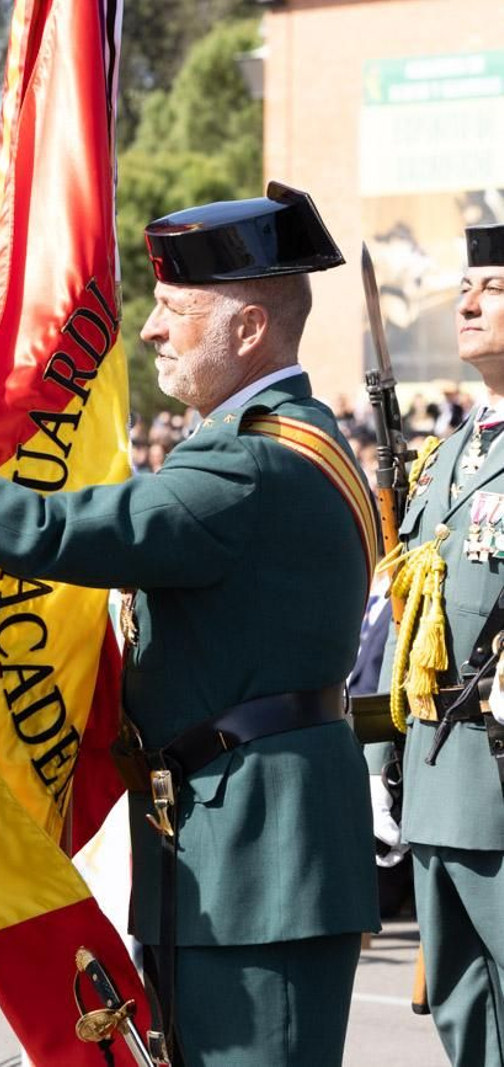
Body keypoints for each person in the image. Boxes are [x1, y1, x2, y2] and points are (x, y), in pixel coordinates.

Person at [0, 184, 379, 1066]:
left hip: (258, 860)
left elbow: (52, 534)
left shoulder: (251, 463)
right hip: (232, 842)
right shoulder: (284, 443)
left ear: (249, 329)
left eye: (174, 309)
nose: (149, 330)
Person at [369, 222, 504, 1066]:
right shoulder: (445, 456)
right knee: (462, 1011)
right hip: (433, 775)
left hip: (496, 772)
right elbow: (407, 611)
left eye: (493, 288)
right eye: (465, 285)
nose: (468, 300)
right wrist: (378, 756)